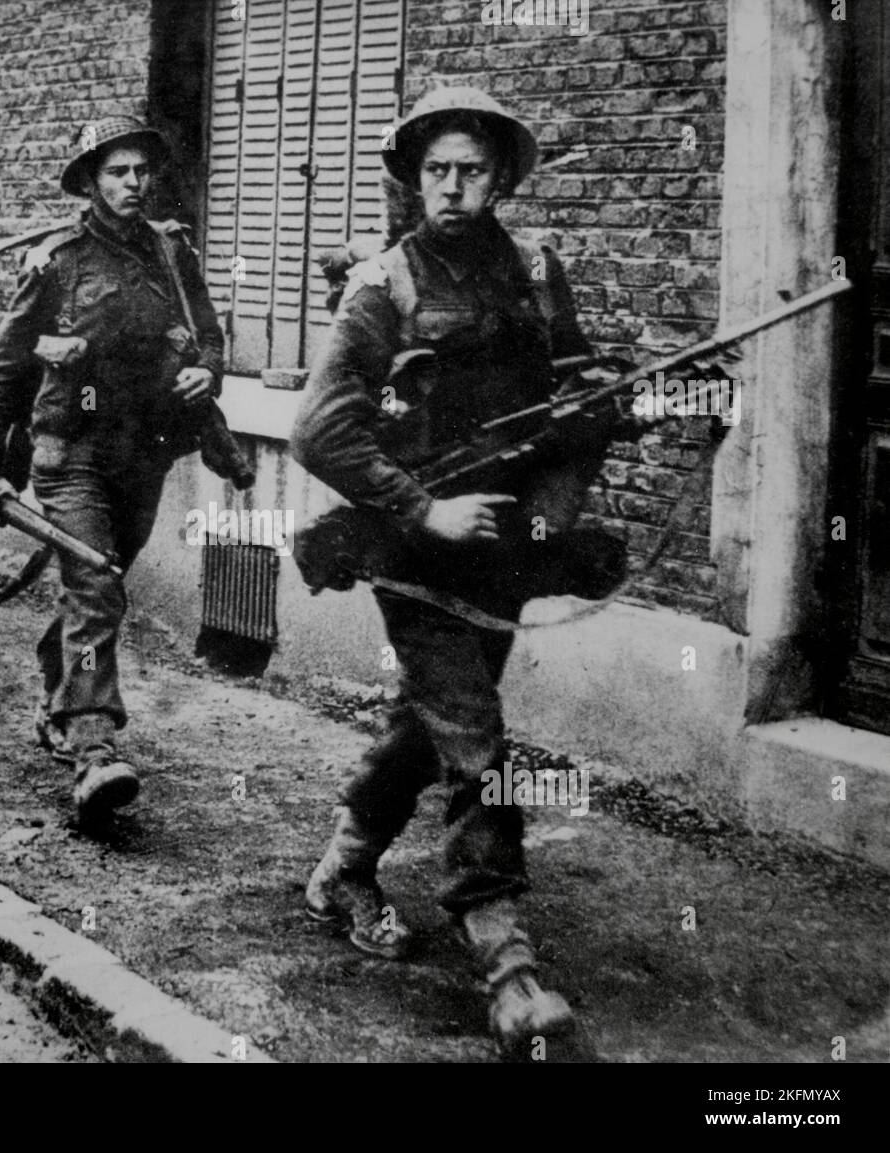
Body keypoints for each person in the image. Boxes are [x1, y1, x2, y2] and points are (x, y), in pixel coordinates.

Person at [289, 86, 598, 1059]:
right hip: (413, 553)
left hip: (502, 547)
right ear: (416, 180)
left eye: (471, 170)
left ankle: (344, 868)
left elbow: (578, 393)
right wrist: (423, 507)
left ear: (500, 176)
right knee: (478, 744)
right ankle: (507, 969)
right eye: (436, 172)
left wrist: (559, 495)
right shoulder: (383, 285)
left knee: (427, 727)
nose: (454, 189)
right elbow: (318, 429)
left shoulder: (538, 272)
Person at [0, 116, 225, 826]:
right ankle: (92, 747)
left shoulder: (173, 255)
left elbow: (210, 336)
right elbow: (3, 366)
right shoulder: (57, 260)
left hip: (144, 450)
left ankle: (61, 701)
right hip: (68, 448)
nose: (133, 184)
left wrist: (208, 372)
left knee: (97, 584)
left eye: (142, 171)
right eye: (117, 172)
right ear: (90, 182)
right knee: (97, 584)